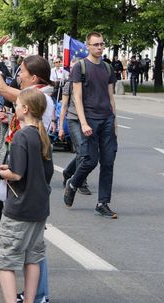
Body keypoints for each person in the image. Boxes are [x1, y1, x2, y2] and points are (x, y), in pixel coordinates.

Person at [0, 89, 52, 303]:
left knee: (5, 259)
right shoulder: (41, 134)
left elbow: (16, 174)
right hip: (39, 207)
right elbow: (41, 171)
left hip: (20, 207)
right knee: (33, 257)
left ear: (25, 109)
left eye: (17, 105)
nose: (14, 108)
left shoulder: (21, 136)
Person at [63, 32, 119, 219]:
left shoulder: (108, 68)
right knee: (90, 160)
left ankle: (102, 203)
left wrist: (115, 122)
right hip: (89, 119)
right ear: (87, 46)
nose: (99, 48)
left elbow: (111, 97)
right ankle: (73, 184)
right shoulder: (80, 67)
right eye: (95, 45)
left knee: (108, 162)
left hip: (107, 119)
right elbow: (76, 97)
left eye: (102, 44)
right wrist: (84, 122)